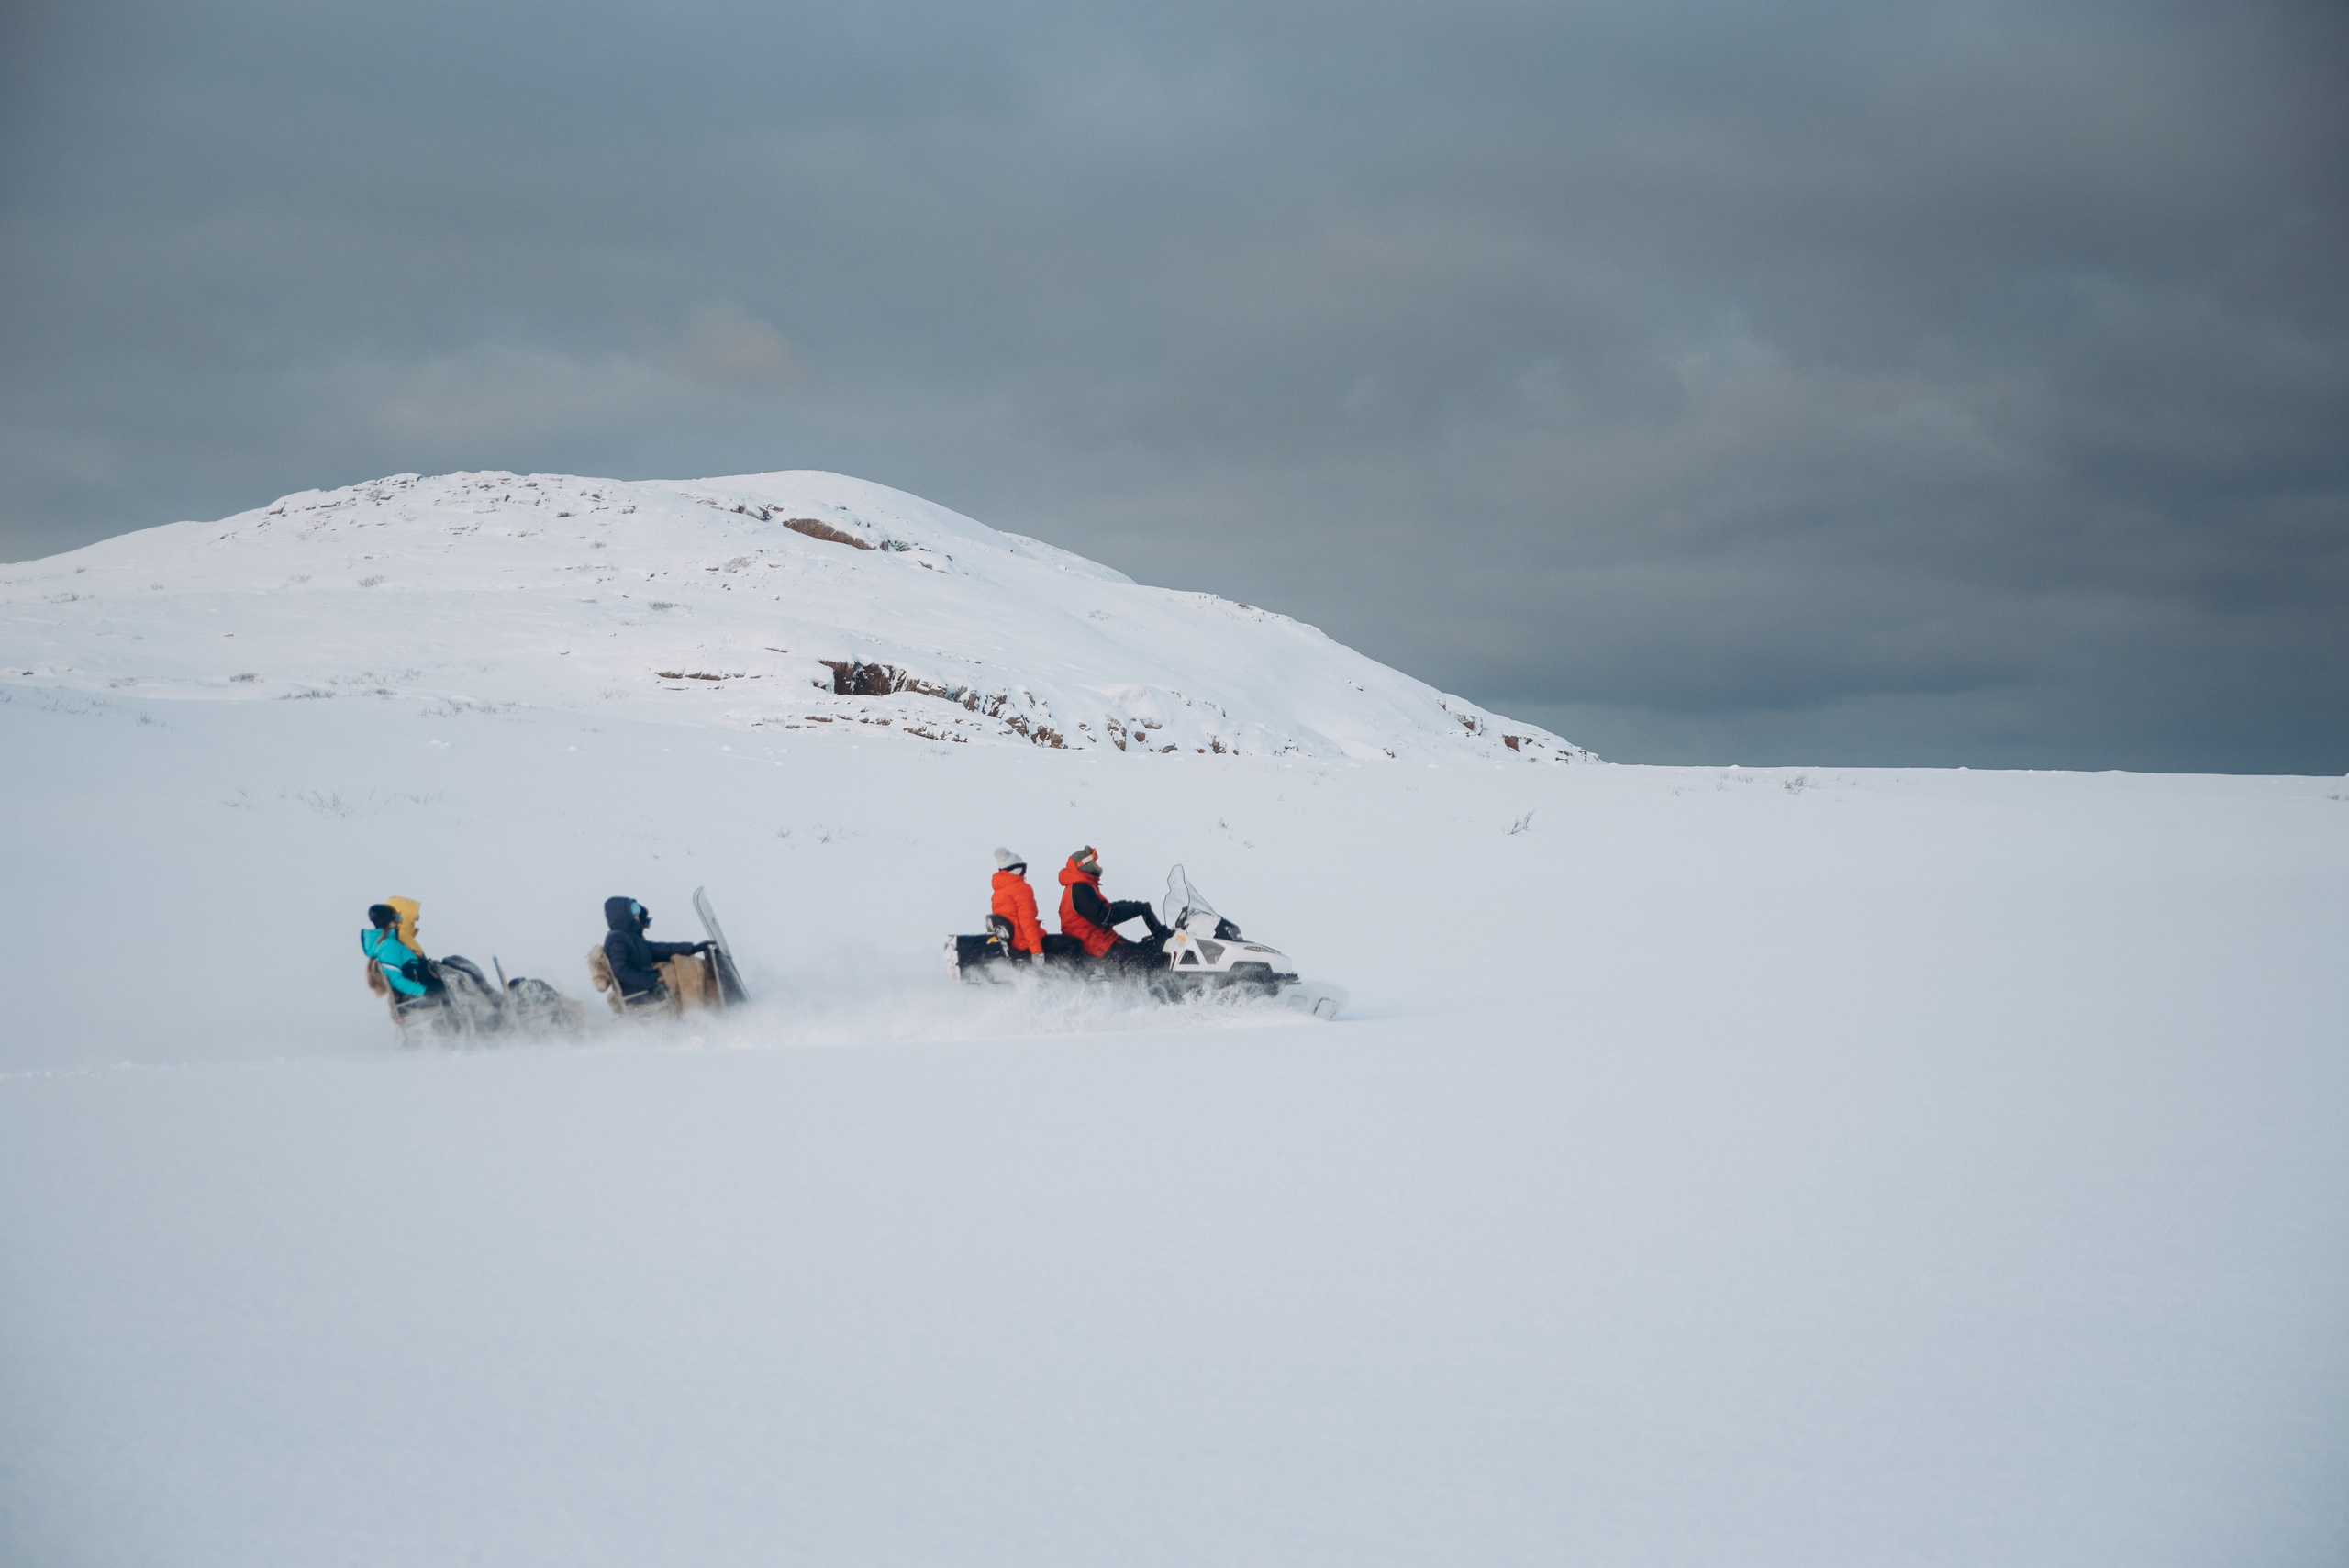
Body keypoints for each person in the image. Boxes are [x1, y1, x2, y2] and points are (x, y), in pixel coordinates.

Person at [1057, 846, 1168, 971]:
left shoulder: (1078, 887)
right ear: (1084, 864)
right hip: (1096, 944)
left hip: (1097, 941)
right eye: (1093, 859)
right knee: (1147, 956)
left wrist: (1136, 907)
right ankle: (1159, 987)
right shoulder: (1080, 888)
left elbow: (1103, 909)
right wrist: (1138, 909)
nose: (1096, 863)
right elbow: (1104, 916)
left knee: (1143, 950)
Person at [602, 896, 712, 1006]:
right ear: (622, 914)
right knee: (689, 971)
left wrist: (693, 948)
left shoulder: (631, 937)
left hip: (647, 980)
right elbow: (621, 970)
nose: (637, 913)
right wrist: (651, 984)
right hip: (638, 989)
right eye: (633, 909)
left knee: (688, 964)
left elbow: (658, 949)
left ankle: (709, 1007)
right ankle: (694, 1013)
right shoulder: (616, 940)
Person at [362, 901, 445, 1015]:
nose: (399, 921)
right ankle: (457, 1030)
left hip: (415, 991)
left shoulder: (389, 944)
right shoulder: (388, 946)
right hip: (412, 998)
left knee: (453, 982)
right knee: (451, 991)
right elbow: (396, 980)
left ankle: (457, 1027)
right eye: (396, 917)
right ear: (388, 922)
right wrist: (425, 992)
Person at [990, 849, 1048, 962]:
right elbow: (1027, 922)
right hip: (1023, 943)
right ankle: (1074, 978)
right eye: (1023, 868)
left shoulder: (999, 891)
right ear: (1017, 869)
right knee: (1073, 943)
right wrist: (1037, 952)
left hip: (1012, 942)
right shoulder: (1021, 889)